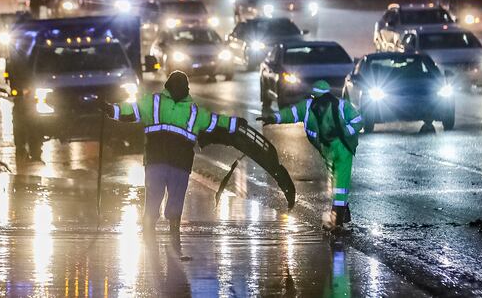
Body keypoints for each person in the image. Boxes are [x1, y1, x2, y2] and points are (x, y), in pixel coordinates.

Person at [105, 71, 245, 243]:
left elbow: (130, 111)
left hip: (156, 161)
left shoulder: (153, 102)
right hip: (180, 164)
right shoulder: (194, 112)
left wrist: (110, 110)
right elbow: (216, 122)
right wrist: (236, 124)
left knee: (153, 199)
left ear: (167, 87)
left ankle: (149, 236)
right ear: (187, 89)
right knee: (175, 201)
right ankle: (173, 237)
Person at [257, 80, 362, 231]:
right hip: (338, 149)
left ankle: (337, 220)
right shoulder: (340, 105)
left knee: (340, 185)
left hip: (336, 149)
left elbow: (290, 114)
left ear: (314, 95)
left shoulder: (308, 107)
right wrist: (345, 132)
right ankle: (341, 214)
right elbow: (358, 122)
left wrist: (273, 118)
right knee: (339, 182)